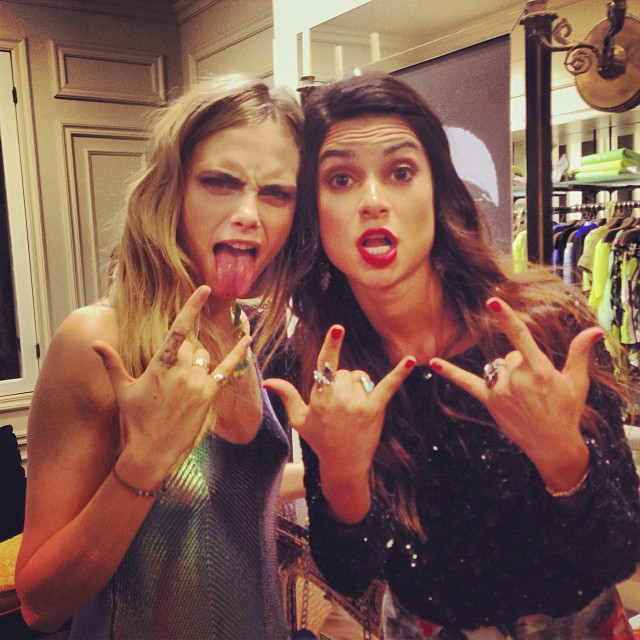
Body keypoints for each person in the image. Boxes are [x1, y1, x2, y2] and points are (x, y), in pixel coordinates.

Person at [264, 73, 640, 639]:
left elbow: (620, 551)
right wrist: (343, 471)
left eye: (400, 172)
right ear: (313, 213)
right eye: (340, 179)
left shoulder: (543, 332)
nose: (373, 201)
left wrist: (561, 454)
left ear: (438, 191)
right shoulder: (326, 366)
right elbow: (349, 572)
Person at [16, 73, 307, 639]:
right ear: (171, 192)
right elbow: (39, 605)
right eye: (220, 182)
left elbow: (229, 491)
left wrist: (348, 468)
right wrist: (144, 461)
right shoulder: (97, 340)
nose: (250, 213)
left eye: (276, 193)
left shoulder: (241, 329)